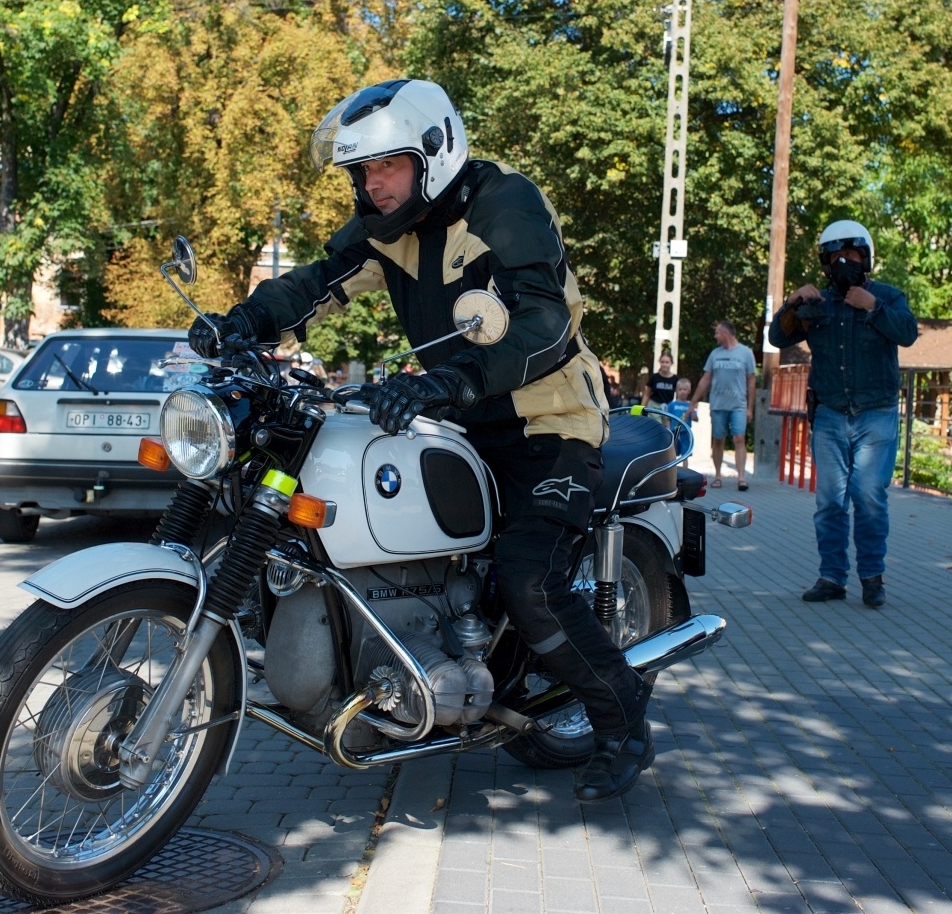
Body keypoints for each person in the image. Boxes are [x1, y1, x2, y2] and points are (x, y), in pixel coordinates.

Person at [188, 79, 651, 803]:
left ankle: (623, 721)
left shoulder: (506, 204)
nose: (372, 185)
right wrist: (243, 321)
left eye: (387, 167)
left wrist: (453, 378)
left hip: (549, 422)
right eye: (362, 173)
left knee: (531, 578)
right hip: (459, 417)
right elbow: (316, 282)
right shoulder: (387, 228)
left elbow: (544, 323)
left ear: (434, 150)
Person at [768, 220, 918, 608]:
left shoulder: (888, 295)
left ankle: (872, 576)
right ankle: (832, 577)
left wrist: (874, 307)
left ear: (866, 257)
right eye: (835, 256)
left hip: (876, 414)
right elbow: (777, 337)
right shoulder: (816, 304)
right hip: (831, 415)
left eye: (851, 255)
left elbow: (908, 332)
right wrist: (792, 302)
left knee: (868, 495)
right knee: (830, 501)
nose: (843, 262)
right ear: (824, 261)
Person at [690, 320, 757, 491]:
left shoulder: (746, 353)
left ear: (726, 334)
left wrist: (750, 407)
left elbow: (751, 381)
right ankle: (718, 475)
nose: (715, 336)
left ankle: (741, 477)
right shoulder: (715, 354)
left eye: (717, 333)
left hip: (738, 405)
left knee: (739, 438)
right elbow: (706, 379)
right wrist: (693, 403)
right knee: (718, 439)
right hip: (718, 405)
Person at [662, 377, 696, 458]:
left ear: (689, 391)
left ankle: (685, 470)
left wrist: (693, 414)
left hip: (686, 432)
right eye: (680, 389)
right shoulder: (672, 405)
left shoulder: (690, 405)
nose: (682, 392)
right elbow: (668, 418)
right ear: (676, 390)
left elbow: (696, 419)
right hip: (674, 432)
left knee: (685, 454)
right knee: (672, 454)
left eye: (685, 389)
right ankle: (673, 470)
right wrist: (669, 430)